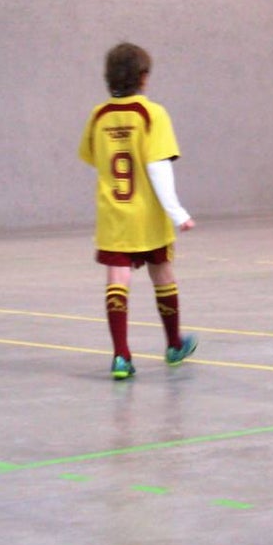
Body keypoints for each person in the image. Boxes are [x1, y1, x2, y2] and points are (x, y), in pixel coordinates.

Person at [78, 42, 198, 380]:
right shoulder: (152, 114)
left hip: (114, 214)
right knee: (162, 272)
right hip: (148, 215)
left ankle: (121, 356)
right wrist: (177, 212)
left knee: (118, 278)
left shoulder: (98, 115)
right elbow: (159, 167)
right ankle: (173, 345)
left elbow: (96, 164)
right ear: (143, 78)